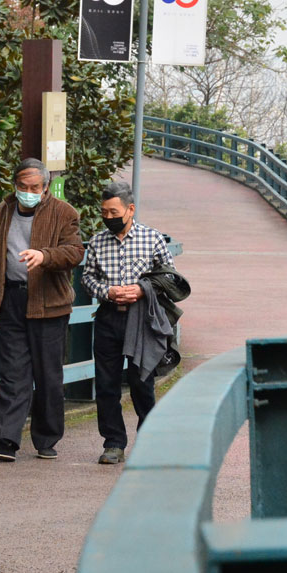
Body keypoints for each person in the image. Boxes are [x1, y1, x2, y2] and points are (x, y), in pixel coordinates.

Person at [0, 159, 84, 462]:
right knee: (11, 374)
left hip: (49, 303)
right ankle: (5, 441)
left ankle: (47, 439)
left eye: (35, 187)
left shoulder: (64, 213)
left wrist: (44, 256)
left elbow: (74, 252)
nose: (29, 192)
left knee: (48, 375)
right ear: (15, 186)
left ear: (46, 187)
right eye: (24, 187)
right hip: (12, 301)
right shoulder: (2, 212)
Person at [80, 181, 175, 464]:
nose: (109, 218)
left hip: (141, 318)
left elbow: (171, 277)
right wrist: (106, 291)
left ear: (130, 209)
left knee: (141, 381)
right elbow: (87, 278)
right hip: (109, 317)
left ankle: (148, 441)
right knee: (106, 383)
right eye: (104, 213)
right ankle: (113, 443)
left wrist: (142, 289)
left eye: (114, 212)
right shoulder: (97, 241)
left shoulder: (153, 238)